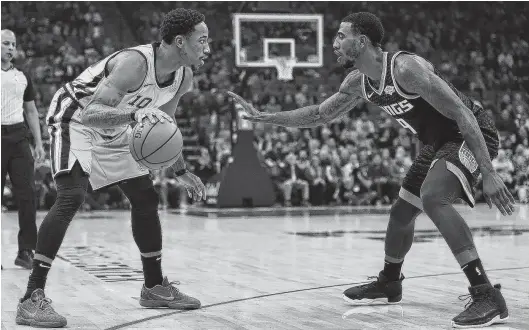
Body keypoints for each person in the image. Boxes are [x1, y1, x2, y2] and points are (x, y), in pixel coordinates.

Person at [229, 12, 515, 329]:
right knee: (401, 213)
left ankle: (485, 293)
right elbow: (318, 115)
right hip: (437, 144)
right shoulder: (358, 82)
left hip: (470, 133)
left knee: (433, 198)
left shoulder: (406, 69)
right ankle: (390, 281)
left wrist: (489, 172)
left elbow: (462, 113)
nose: (334, 42)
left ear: (362, 41)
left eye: (340, 36)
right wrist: (267, 117)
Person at [16, 9, 209, 328]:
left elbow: (166, 125)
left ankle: (154, 287)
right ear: (179, 42)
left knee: (147, 200)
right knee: (71, 198)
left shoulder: (183, 77)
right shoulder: (135, 64)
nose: (207, 47)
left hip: (118, 127)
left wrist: (180, 171)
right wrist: (134, 117)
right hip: (75, 118)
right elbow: (92, 113)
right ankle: (31, 298)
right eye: (201, 40)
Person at [1, 30, 45, 269]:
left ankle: (26, 250)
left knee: (28, 195)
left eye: (13, 44)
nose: (10, 48)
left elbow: (30, 111)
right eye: (5, 43)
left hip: (19, 137)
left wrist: (38, 142)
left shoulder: (23, 75)